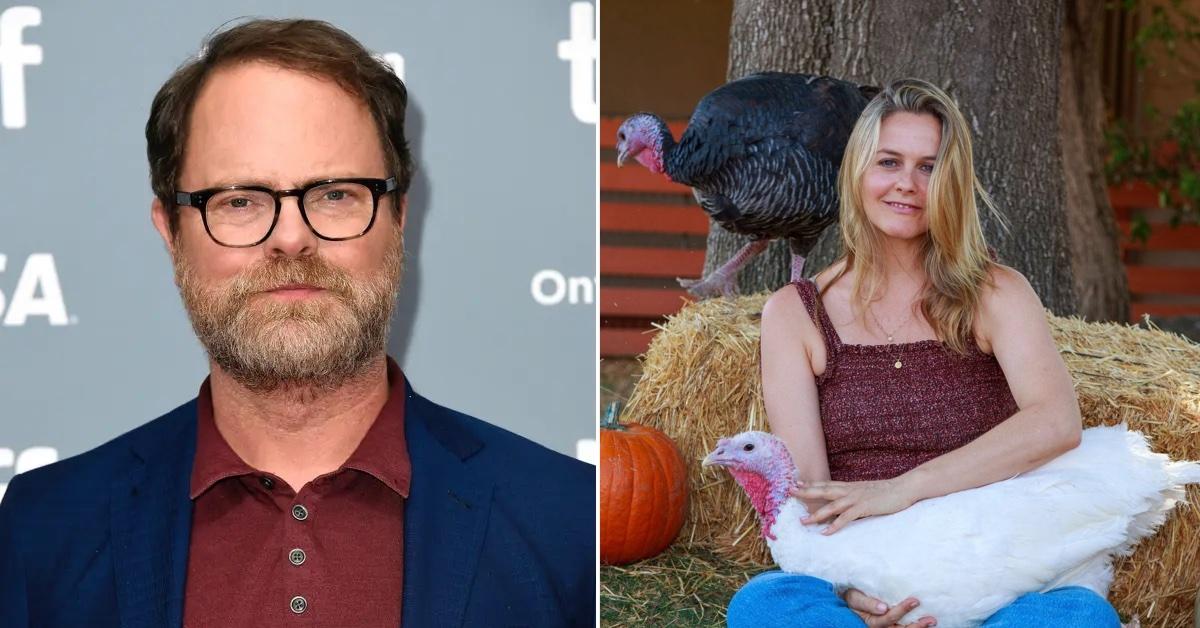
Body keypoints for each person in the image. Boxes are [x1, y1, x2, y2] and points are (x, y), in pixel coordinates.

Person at [0, 19, 594, 628]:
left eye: (335, 194)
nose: (291, 238)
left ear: (399, 217)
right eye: (239, 200)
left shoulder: (571, 521)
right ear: (170, 233)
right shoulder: (43, 528)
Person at [726, 79, 1120, 627]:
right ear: (856, 172)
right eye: (889, 161)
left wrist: (902, 490)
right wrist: (848, 590)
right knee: (764, 604)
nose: (907, 185)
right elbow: (810, 493)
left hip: (990, 569)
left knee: (1079, 616)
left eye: (929, 167)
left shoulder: (997, 292)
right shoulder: (796, 314)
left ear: (951, 182)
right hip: (871, 568)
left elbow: (1056, 422)